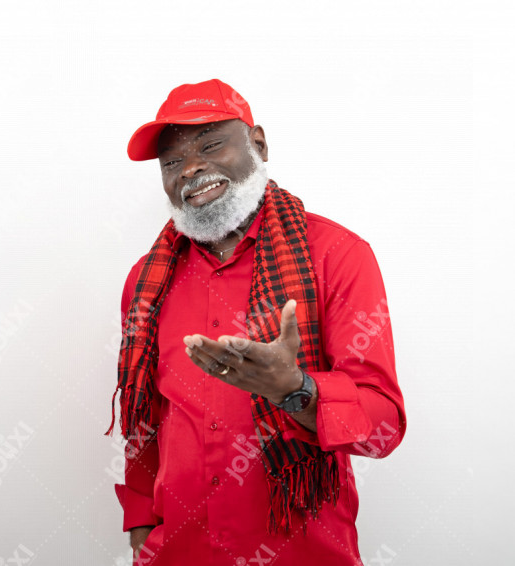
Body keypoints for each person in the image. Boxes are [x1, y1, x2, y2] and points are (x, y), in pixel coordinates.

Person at [105, 79, 406, 566]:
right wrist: (140, 520)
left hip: (303, 553)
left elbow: (384, 428)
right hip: (178, 552)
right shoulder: (145, 282)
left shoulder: (339, 256)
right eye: (172, 162)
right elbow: (147, 418)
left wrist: (297, 389)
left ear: (258, 144)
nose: (192, 167)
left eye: (210, 144)